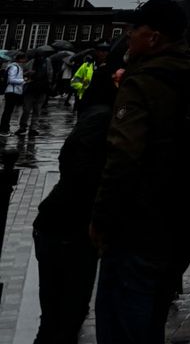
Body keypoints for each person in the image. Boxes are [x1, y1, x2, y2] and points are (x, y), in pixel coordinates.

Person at [89, 0, 190, 344]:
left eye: (132, 31)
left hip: (136, 228)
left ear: (152, 38)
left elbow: (123, 158)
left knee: (120, 323)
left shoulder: (143, 83)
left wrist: (102, 219)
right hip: (178, 225)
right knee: (151, 322)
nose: (127, 38)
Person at [31, 50, 121, 344]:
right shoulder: (102, 121)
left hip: (61, 224)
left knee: (59, 316)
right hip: (70, 228)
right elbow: (81, 174)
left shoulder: (94, 115)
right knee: (65, 315)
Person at [1, 55, 25, 133]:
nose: (25, 61)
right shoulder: (14, 67)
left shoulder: (16, 67)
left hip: (14, 91)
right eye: (24, 59)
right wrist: (23, 80)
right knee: (8, 111)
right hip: (12, 92)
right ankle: (4, 129)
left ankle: (5, 128)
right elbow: (11, 79)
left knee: (8, 111)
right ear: (20, 59)